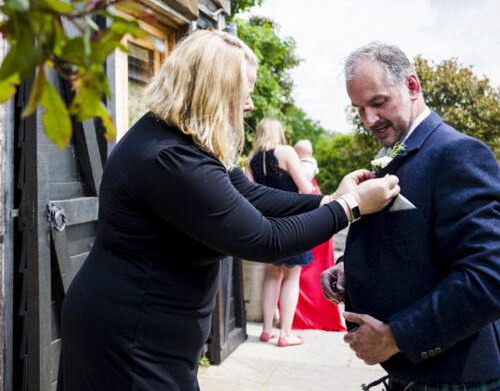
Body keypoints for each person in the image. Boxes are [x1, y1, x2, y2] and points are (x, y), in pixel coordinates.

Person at [58, 29, 400, 391]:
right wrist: (351, 207)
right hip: (130, 336)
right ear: (214, 89)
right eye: (245, 92)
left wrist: (328, 199)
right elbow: (263, 239)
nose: (250, 104)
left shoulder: (188, 142)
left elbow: (252, 196)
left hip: (152, 330)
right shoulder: (170, 158)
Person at [321, 43, 500, 391]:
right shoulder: (396, 150)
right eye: (359, 109)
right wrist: (349, 264)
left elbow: (491, 282)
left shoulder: (459, 153)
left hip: (459, 377)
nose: (369, 120)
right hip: (414, 374)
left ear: (412, 86)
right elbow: (409, 242)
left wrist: (395, 337)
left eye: (378, 103)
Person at [246, 119, 316, 346]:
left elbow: (249, 194)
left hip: (266, 224)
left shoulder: (251, 159)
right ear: (279, 132)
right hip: (292, 223)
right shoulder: (286, 152)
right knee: (292, 276)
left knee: (272, 274)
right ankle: (285, 333)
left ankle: (267, 330)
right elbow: (306, 188)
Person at [290, 139, 346, 333]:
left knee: (305, 276)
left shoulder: (300, 170)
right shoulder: (310, 171)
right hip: (317, 230)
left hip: (308, 228)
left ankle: (302, 315)